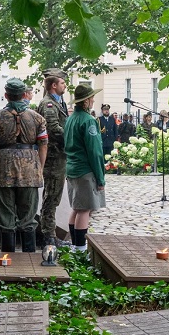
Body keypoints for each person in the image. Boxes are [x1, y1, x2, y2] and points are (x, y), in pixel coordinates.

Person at [0, 77, 48, 253]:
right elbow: (43, 146)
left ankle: (7, 257)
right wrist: (39, 169)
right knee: (28, 216)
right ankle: (28, 257)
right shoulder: (37, 118)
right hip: (29, 169)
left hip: (3, 168)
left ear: (6, 95)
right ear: (24, 95)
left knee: (5, 215)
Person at [63, 80, 105, 252]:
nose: (93, 100)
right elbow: (95, 152)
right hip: (85, 170)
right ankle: (80, 248)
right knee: (84, 210)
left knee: (76, 208)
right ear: (86, 100)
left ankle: (74, 244)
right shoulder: (88, 121)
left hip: (72, 167)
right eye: (92, 98)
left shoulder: (70, 118)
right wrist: (100, 177)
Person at [37, 68, 69, 248]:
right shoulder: (49, 104)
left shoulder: (58, 103)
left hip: (59, 156)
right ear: (54, 85)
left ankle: (49, 233)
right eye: (63, 83)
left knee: (54, 196)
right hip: (53, 157)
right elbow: (53, 128)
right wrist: (72, 137)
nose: (65, 86)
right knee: (51, 197)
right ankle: (48, 236)